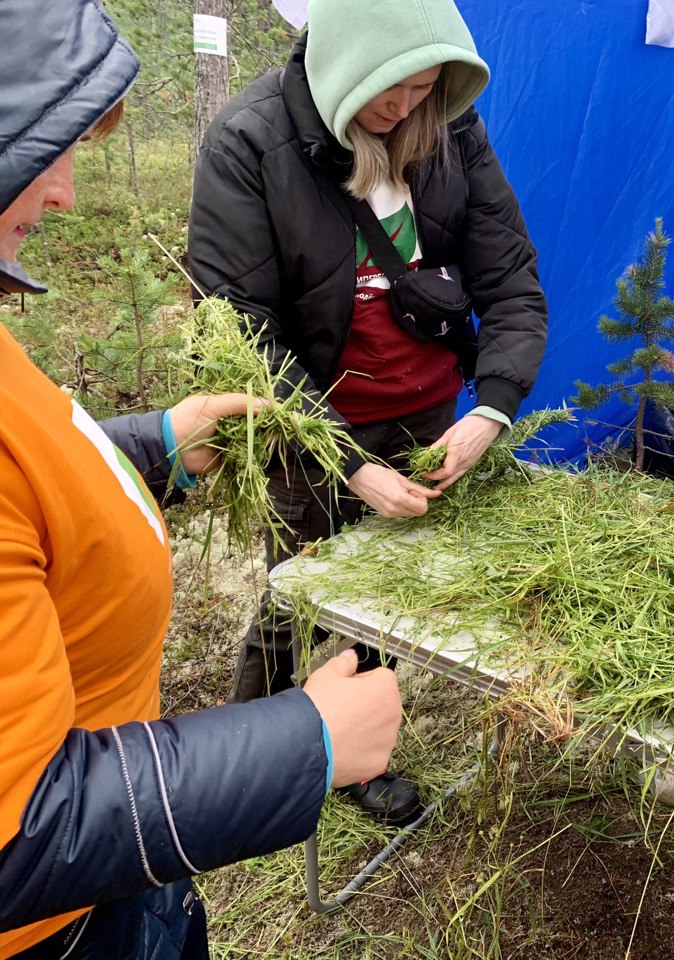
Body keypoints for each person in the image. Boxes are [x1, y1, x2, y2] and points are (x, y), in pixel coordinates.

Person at [0, 1, 406, 957]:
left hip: (116, 885)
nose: (62, 193)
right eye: (41, 152)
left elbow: (27, 467)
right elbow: (20, 830)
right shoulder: (253, 140)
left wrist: (143, 445)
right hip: (59, 931)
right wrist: (303, 744)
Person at [187, 0, 548, 824]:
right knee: (299, 588)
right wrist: (347, 462)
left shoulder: (450, 129)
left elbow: (513, 285)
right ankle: (251, 757)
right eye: (392, 91)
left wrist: (489, 411)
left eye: (427, 90)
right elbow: (242, 339)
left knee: (379, 592)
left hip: (423, 413)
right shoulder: (250, 144)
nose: (406, 109)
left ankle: (349, 757)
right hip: (310, 424)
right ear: (347, 65)